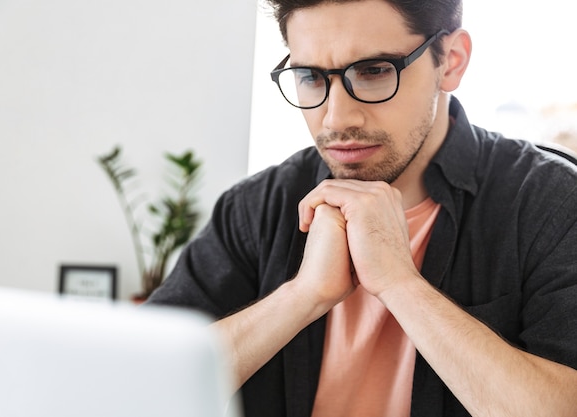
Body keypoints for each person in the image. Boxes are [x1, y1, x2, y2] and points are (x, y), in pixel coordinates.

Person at [146, 0, 577, 416]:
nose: (336, 119)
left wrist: (400, 285)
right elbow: (140, 384)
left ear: (451, 59)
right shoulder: (255, 206)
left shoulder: (550, 200)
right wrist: (302, 296)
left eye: (373, 71)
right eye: (311, 76)